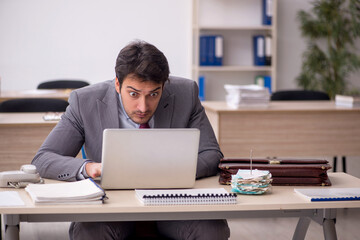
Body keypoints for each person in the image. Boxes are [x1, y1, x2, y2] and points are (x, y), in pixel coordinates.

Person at [32, 40, 230, 240]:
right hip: (113, 205)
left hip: (172, 202)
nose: (143, 107)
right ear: (117, 84)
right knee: (90, 231)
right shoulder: (85, 102)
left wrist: (175, 171)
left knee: (212, 228)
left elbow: (212, 154)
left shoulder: (186, 93)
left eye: (154, 94)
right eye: (133, 94)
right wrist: (89, 168)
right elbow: (43, 159)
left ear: (164, 85)